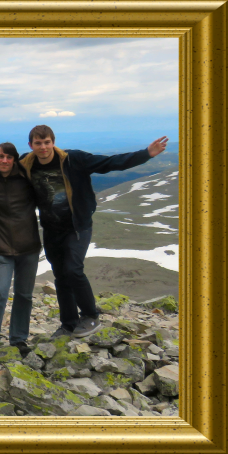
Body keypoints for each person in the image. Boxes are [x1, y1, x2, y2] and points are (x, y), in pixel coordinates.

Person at [19, 125, 168, 338]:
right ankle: (68, 324)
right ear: (31, 145)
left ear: (53, 142)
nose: (43, 147)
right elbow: (1, 167)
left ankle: (90, 316)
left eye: (47, 142)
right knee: (61, 276)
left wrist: (146, 154)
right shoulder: (27, 162)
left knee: (73, 270)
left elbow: (109, 163)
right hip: (51, 228)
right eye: (38, 143)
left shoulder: (73, 159)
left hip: (77, 226)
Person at [0, 143, 42, 361]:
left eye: (9, 157)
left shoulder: (25, 177)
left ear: (15, 159)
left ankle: (19, 339)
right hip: (0, 247)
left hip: (29, 246)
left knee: (24, 294)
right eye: (1, 157)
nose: (4, 161)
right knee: (0, 292)